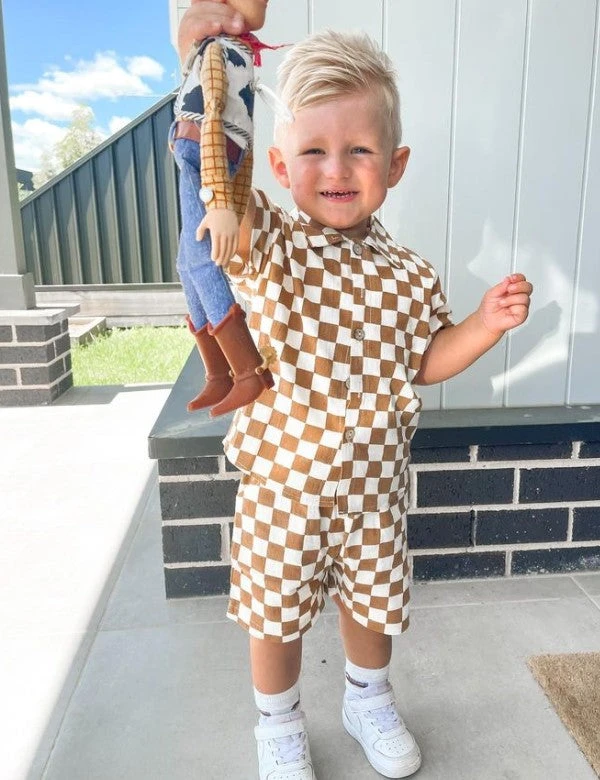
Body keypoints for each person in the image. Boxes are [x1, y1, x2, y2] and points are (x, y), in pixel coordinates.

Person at [178, 5, 533, 779]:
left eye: (359, 150)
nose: (336, 169)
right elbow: (218, 185)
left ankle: (368, 700)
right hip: (284, 488)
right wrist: (211, 64)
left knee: (373, 606)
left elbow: (425, 360)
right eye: (313, 150)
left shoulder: (410, 275)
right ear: (280, 166)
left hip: (374, 490)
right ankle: (278, 723)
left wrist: (482, 325)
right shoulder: (271, 242)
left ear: (394, 165)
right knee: (274, 615)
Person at [171, 0, 276, 417]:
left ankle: (247, 371)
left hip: (202, 155)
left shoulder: (223, 50)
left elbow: (216, 117)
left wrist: (220, 200)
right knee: (186, 263)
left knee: (201, 260)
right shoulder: (225, 49)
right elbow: (240, 132)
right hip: (196, 154)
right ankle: (218, 373)